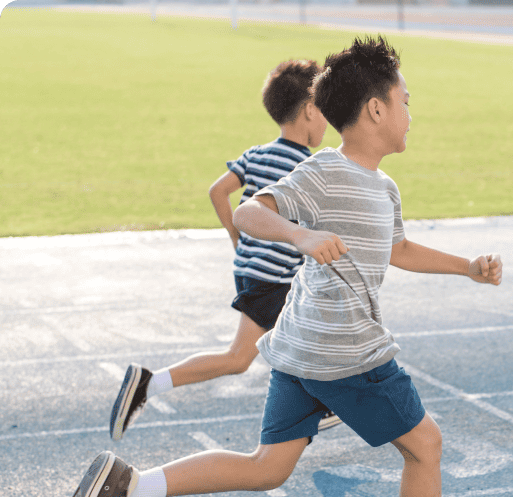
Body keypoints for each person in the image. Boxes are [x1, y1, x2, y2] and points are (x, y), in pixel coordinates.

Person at [60, 35, 503, 497]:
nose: (410, 115)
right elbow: (249, 209)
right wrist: (301, 233)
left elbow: (399, 249)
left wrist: (467, 267)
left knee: (268, 467)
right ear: (375, 109)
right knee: (425, 446)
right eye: (405, 102)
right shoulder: (321, 172)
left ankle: (130, 486)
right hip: (346, 355)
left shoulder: (383, 188)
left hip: (299, 351)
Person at [109, 59, 341, 442]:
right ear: (310, 111)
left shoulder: (257, 154)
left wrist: (238, 236)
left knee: (305, 333)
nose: (328, 122)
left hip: (252, 269)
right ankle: (149, 384)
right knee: (239, 358)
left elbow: (218, 191)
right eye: (325, 113)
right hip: (273, 277)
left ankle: (320, 403)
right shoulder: (308, 166)